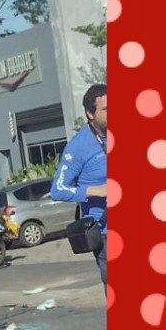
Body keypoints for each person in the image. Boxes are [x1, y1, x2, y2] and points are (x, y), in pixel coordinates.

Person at [51, 83, 108, 291]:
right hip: (106, 232)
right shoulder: (78, 147)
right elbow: (58, 189)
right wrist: (97, 190)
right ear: (90, 113)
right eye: (106, 109)